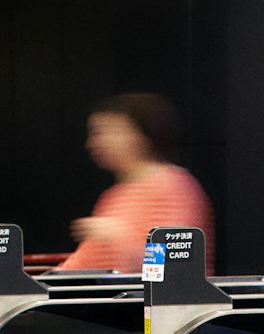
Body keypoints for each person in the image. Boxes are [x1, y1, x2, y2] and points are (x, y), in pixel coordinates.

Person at [59, 93, 214, 273]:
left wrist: (119, 236)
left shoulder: (176, 188)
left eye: (108, 131)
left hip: (142, 292)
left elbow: (175, 264)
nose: (95, 143)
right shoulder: (115, 195)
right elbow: (83, 263)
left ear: (142, 135)